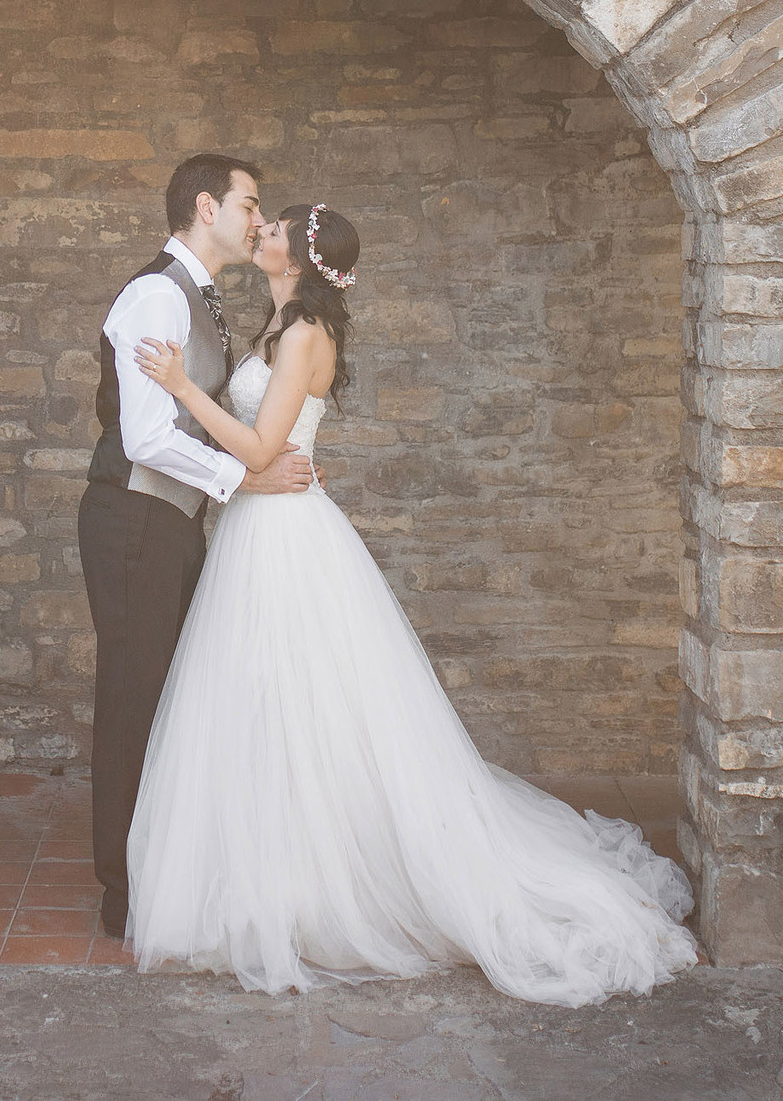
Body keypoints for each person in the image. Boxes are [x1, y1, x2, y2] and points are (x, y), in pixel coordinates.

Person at [124, 204, 699, 1006]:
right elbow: (257, 447)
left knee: (307, 707)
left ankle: (323, 885)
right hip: (258, 528)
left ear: (307, 257)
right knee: (265, 706)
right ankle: (272, 871)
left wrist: (182, 385)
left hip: (285, 537)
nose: (264, 233)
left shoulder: (302, 336)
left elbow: (260, 450)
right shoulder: (278, 324)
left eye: (279, 228)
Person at [77, 152, 317, 942]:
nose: (258, 219)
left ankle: (158, 860)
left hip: (171, 523)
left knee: (165, 697)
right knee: (133, 696)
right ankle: (123, 887)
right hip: (135, 519)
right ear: (207, 207)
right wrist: (243, 482)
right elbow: (146, 434)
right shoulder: (156, 293)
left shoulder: (202, 298)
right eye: (251, 204)